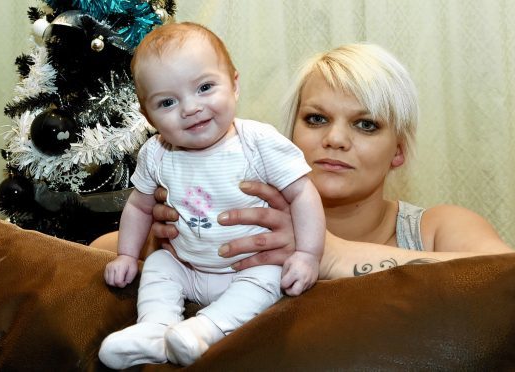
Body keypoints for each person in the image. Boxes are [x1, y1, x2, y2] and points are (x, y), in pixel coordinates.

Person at [150, 42, 512, 282]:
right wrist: (163, 244)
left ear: (398, 151)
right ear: (288, 137)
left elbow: (504, 275)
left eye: (366, 124)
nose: (335, 139)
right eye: (316, 119)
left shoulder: (435, 230)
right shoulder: (246, 220)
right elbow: (98, 252)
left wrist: (331, 254)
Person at [98, 22, 325, 369]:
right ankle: (156, 331)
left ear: (234, 84)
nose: (190, 108)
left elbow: (303, 193)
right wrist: (128, 255)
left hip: (245, 270)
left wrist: (308, 253)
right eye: (167, 102)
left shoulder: (257, 142)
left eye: (205, 87)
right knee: (159, 264)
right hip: (187, 265)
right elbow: (139, 206)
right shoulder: (156, 153)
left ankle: (204, 330)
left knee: (268, 277)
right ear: (147, 115)